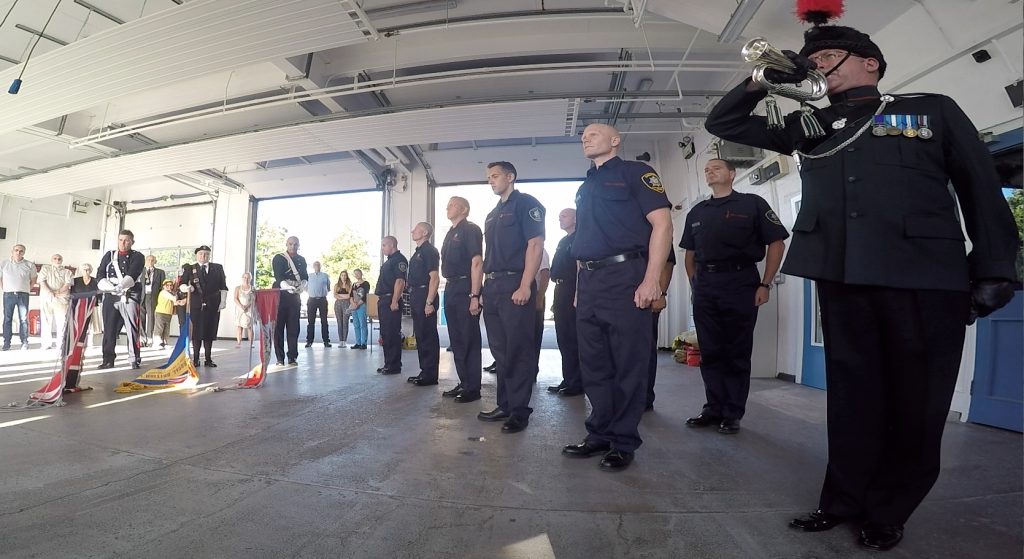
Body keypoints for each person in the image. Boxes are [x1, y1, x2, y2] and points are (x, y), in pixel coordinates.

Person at [704, 19, 1018, 551]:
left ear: (869, 62)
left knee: (916, 403)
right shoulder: (812, 124)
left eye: (829, 57)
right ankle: (842, 501)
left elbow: (979, 187)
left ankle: (890, 510)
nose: (819, 65)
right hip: (844, 276)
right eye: (814, 60)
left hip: (924, 276)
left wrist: (994, 267)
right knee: (852, 399)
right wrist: (766, 77)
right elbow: (724, 119)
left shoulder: (930, 110)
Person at [562, 124, 671, 472]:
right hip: (590, 281)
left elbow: (663, 225)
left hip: (626, 276)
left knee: (628, 363)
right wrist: (580, 288)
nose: (586, 138)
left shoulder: (636, 172)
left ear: (615, 140)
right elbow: (585, 244)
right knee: (594, 363)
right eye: (583, 136)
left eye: (594, 134)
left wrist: (651, 279)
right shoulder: (585, 186)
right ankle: (599, 433)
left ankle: (623, 441)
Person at [677, 159, 787, 431]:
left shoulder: (752, 204)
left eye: (716, 167)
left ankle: (733, 412)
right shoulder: (697, 211)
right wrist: (695, 285)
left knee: (736, 350)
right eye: (706, 169)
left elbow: (777, 242)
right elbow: (689, 256)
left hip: (740, 282)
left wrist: (765, 284)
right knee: (710, 350)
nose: (709, 171)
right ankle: (713, 408)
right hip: (705, 286)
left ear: (732, 174)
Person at [477, 161, 545, 434]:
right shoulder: (493, 214)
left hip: (515, 283)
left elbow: (535, 244)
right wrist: (481, 290)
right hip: (492, 286)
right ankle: (504, 404)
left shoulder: (526, 203)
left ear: (510, 176)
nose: (491, 181)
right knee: (501, 352)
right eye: (488, 177)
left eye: (495, 176)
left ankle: (519, 412)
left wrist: (526, 284)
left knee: (518, 350)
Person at [439, 196, 484, 402]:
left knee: (468, 338)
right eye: (448, 204)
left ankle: (473, 388)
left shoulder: (470, 230)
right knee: (456, 339)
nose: (448, 207)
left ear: (464, 209)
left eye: (453, 204)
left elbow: (476, 262)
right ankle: (464, 381)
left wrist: (475, 295)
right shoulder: (450, 232)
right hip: (450, 287)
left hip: (465, 286)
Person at [547, 208, 583, 397]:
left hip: (572, 288)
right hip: (560, 289)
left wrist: (577, 294)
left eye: (564, 216)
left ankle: (577, 382)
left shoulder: (580, 237)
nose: (559, 218)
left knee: (574, 337)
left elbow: (580, 269)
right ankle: (568, 379)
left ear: (576, 218)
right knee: (563, 337)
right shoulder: (562, 241)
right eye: (559, 216)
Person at [97, 230, 145, 369]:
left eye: (126, 240)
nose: (123, 243)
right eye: (121, 240)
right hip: (111, 295)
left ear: (132, 242)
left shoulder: (138, 256)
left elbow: (133, 273)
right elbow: (100, 273)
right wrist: (106, 285)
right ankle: (108, 359)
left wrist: (121, 286)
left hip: (130, 294)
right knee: (109, 329)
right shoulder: (109, 255)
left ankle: (134, 359)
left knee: (132, 329)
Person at [178, 246, 229, 367]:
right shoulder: (190, 268)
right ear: (197, 255)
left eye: (206, 254)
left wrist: (223, 301)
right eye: (201, 254)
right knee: (196, 333)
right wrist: (186, 288)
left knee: (210, 332)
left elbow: (223, 286)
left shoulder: (217, 268)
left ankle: (208, 359)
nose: (203, 256)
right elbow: (182, 283)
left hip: (213, 304)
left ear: (209, 255)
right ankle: (196, 359)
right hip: (196, 304)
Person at [407, 222, 441, 387]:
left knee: (428, 336)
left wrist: (429, 302)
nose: (412, 231)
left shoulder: (429, 251)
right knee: (420, 335)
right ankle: (424, 371)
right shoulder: (418, 252)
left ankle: (431, 375)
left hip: (424, 295)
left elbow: (434, 278)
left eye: (416, 229)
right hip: (416, 295)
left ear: (425, 232)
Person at [645, 247, 677, 411]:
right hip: (620, 294)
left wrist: (661, 294)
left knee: (644, 349)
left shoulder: (656, 224)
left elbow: (667, 261)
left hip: (648, 297)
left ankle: (644, 398)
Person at [272, 236, 308, 366]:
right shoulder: (279, 258)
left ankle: (292, 357)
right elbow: (278, 276)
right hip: (281, 294)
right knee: (278, 327)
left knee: (294, 327)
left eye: (295, 244)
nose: (293, 246)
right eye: (290, 244)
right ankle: (279, 358)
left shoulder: (301, 260)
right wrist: (286, 287)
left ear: (299, 245)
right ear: (286, 244)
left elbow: (304, 276)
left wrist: (303, 284)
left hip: (295, 295)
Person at [375, 236, 407, 375]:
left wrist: (394, 301)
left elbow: (400, 282)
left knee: (392, 333)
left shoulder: (399, 260)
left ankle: (394, 365)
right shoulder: (389, 261)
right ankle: (388, 363)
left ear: (392, 245)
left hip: (390, 300)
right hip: (383, 300)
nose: (382, 249)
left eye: (384, 245)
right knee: (386, 333)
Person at [0, 244, 37, 351]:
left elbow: (33, 280)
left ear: (24, 253)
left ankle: (24, 342)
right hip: (8, 295)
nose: (18, 252)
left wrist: (26, 289)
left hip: (23, 295)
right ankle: (6, 343)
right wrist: (5, 289)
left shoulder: (29, 265)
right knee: (7, 319)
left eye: (21, 251)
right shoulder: (4, 263)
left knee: (24, 319)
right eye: (16, 250)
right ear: (12, 251)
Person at [38, 253, 72, 350]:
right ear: (51, 260)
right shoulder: (45, 269)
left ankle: (61, 344)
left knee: (62, 321)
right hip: (46, 298)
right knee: (46, 320)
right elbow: (42, 281)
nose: (57, 260)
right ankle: (45, 343)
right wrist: (49, 292)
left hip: (61, 299)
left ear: (62, 260)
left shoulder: (67, 271)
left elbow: (67, 284)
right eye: (55, 258)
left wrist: (57, 292)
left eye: (59, 259)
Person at [71, 263, 101, 349]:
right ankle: (78, 342)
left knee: (91, 325)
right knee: (79, 324)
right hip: (79, 306)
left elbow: (98, 294)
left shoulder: (96, 281)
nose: (86, 271)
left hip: (92, 305)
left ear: (91, 271)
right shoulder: (75, 280)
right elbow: (72, 293)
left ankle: (90, 342)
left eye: (88, 269)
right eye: (84, 269)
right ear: (81, 270)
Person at [531, 248, 550, 382]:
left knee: (534, 336)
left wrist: (539, 298)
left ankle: (532, 371)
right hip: (525, 296)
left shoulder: (539, 250)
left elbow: (545, 274)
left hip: (536, 295)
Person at [139, 255, 166, 348]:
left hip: (152, 297)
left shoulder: (160, 272)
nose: (150, 261)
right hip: (141, 296)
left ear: (155, 261)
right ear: (145, 261)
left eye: (152, 260)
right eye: (148, 260)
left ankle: (150, 339)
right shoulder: (140, 271)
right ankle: (142, 339)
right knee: (140, 318)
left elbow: (163, 286)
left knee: (151, 318)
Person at [305, 261, 331, 348]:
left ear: (320, 266)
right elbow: (305, 287)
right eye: (315, 265)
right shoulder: (309, 276)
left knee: (324, 321)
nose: (317, 266)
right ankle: (309, 341)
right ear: (313, 266)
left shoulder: (325, 276)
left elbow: (328, 287)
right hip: (312, 300)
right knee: (311, 321)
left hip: (322, 300)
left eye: (318, 265)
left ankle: (326, 341)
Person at [152, 279, 179, 348]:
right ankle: (157, 343)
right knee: (159, 328)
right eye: (167, 285)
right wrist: (176, 294)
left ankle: (164, 342)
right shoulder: (163, 292)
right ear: (164, 286)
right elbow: (174, 299)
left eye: (171, 285)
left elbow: (175, 303)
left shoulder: (170, 293)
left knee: (166, 329)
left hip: (168, 313)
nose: (169, 287)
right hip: (160, 312)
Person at [349, 269, 370, 350]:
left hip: (362, 306)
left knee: (363, 325)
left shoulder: (366, 284)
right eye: (355, 274)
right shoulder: (354, 284)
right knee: (356, 325)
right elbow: (350, 295)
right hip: (354, 306)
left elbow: (365, 296)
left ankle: (364, 343)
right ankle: (358, 343)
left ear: (361, 273)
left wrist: (357, 304)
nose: (357, 275)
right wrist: (353, 303)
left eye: (358, 273)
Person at [332, 270, 352, 348]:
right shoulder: (337, 285)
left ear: (347, 276)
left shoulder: (349, 285)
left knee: (345, 322)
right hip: (338, 304)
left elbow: (349, 296)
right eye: (342, 275)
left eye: (345, 275)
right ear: (340, 276)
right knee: (339, 322)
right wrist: (344, 295)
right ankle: (340, 340)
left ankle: (344, 341)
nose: (343, 277)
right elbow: (335, 295)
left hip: (346, 304)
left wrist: (340, 295)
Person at [234, 272, 255, 347]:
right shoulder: (237, 288)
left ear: (250, 279)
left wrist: (247, 306)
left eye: (248, 277)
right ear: (242, 278)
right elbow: (235, 298)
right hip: (240, 309)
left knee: (249, 326)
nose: (246, 279)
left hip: (249, 309)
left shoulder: (252, 288)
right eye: (245, 277)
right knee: (239, 326)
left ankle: (251, 343)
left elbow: (254, 299)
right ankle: (238, 343)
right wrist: (241, 306)